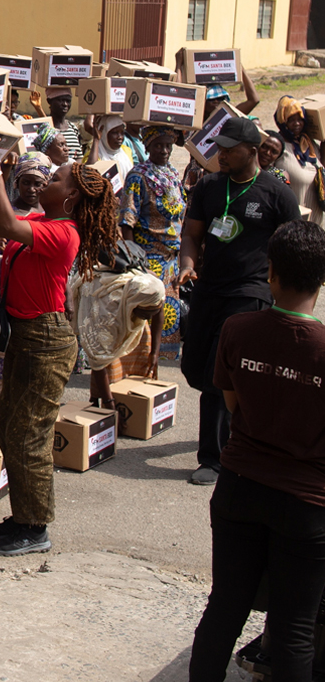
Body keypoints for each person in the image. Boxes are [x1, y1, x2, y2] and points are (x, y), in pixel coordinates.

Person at [0, 128, 119, 556]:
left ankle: (35, 528)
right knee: (9, 430)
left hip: (46, 341)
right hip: (24, 334)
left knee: (29, 434)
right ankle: (22, 516)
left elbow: (8, 222)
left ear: (70, 198)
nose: (47, 181)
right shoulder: (43, 221)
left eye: (56, 179)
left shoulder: (65, 232)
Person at [188, 220, 325, 682]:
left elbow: (232, 405)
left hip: (239, 488)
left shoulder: (238, 328)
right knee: (294, 631)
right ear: (321, 280)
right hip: (307, 504)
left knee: (224, 609)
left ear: (271, 273)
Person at [179, 116, 301, 487]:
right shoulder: (210, 186)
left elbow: (293, 247)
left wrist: (285, 296)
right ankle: (241, 432)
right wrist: (187, 263)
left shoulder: (276, 193)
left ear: (252, 151)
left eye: (230, 150)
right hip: (208, 291)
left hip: (250, 292)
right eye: (219, 148)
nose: (222, 155)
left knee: (221, 369)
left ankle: (215, 459)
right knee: (197, 367)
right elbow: (192, 234)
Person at [0, 153, 52, 427]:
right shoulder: (6, 213)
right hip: (7, 303)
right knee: (1, 367)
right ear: (18, 182)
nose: (32, 189)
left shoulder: (51, 217)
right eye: (27, 182)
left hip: (37, 303)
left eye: (39, 184)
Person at [118, 126, 186, 367]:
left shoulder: (174, 175)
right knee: (145, 311)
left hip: (170, 259)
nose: (164, 150)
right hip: (147, 256)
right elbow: (127, 220)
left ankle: (155, 359)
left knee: (166, 312)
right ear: (147, 147)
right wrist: (133, 260)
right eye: (158, 145)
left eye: (168, 145)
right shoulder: (138, 176)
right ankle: (136, 363)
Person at [271, 95, 322, 224]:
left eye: (300, 119)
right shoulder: (277, 147)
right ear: (282, 121)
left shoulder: (309, 144)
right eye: (291, 120)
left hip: (317, 218)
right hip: (294, 220)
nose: (297, 124)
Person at [88, 115, 135, 193]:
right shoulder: (95, 155)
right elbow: (89, 171)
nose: (120, 137)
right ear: (103, 133)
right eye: (115, 133)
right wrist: (96, 139)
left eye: (122, 133)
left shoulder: (126, 151)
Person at [45, 89, 83, 163]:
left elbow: (79, 157)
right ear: (49, 101)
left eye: (68, 101)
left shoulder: (73, 128)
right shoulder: (45, 128)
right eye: (61, 100)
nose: (65, 104)